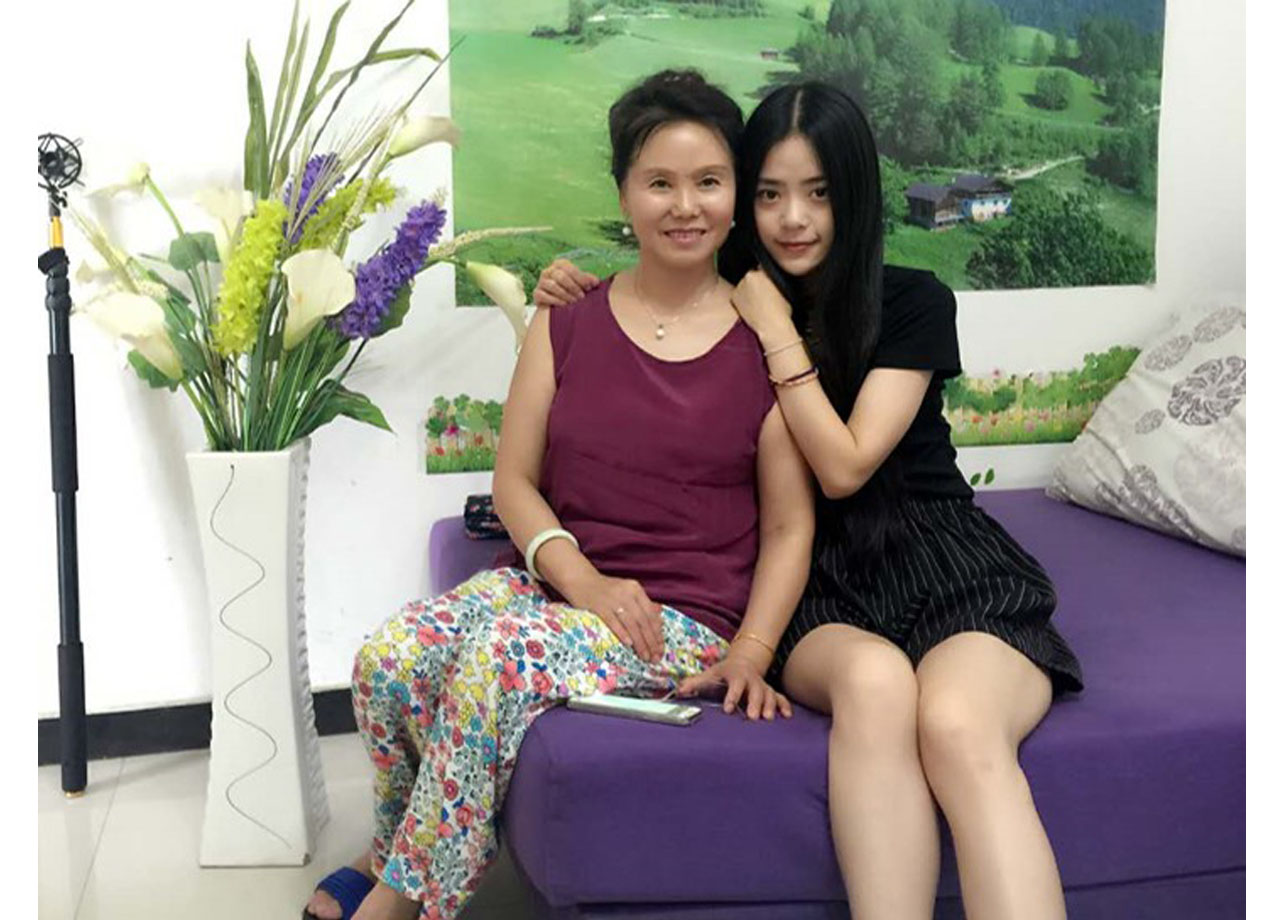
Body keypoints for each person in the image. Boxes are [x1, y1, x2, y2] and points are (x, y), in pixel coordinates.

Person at [534, 81, 1083, 920]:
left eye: (819, 193)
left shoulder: (910, 302)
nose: (793, 219)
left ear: (854, 195)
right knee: (876, 682)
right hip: (812, 583)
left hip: (942, 563)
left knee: (958, 726)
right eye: (769, 194)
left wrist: (776, 329)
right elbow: (639, 306)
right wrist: (562, 286)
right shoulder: (722, 297)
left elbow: (845, 466)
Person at [303, 70, 814, 920]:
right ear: (624, 194)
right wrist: (582, 580)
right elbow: (512, 480)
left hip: (679, 618)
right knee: (389, 658)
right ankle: (396, 845)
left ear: (736, 195)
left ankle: (397, 904)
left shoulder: (765, 340)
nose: (685, 206)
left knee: (498, 658)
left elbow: (793, 526)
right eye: (659, 183)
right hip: (556, 584)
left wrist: (751, 654)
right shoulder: (567, 315)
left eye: (709, 182)